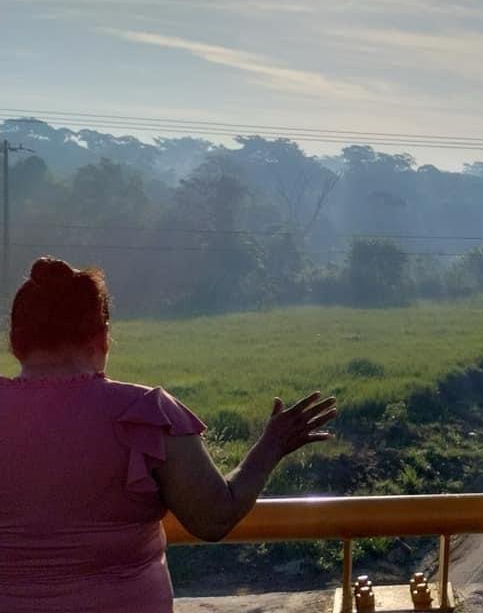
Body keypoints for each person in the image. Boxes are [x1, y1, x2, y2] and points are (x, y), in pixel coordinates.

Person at [0, 257, 337, 613]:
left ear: (16, 341)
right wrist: (272, 445)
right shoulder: (147, 413)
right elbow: (214, 518)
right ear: (102, 337)